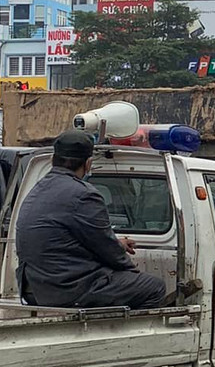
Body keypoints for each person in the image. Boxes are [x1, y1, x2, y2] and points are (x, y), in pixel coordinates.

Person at [15, 130, 168, 309]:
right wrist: (132, 271)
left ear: (52, 160)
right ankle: (119, 336)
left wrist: (117, 244)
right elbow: (107, 249)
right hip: (69, 288)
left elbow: (69, 240)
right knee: (154, 288)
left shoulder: (37, 189)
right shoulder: (84, 195)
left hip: (33, 288)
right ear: (88, 164)